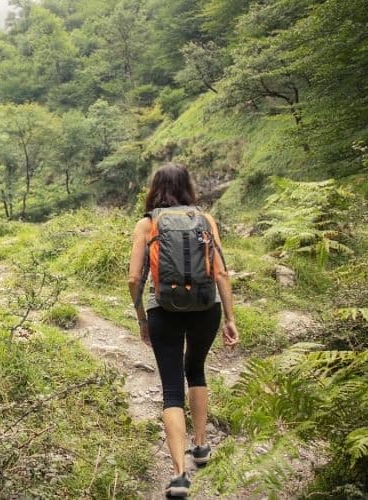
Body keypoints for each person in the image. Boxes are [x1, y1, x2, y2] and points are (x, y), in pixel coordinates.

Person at [127, 163, 240, 497]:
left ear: (154, 188)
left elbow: (135, 278)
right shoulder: (205, 220)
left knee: (172, 389)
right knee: (197, 369)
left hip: (163, 310)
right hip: (207, 308)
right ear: (188, 187)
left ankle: (179, 475)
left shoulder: (147, 224)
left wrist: (141, 317)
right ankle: (202, 446)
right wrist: (231, 318)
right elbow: (220, 273)